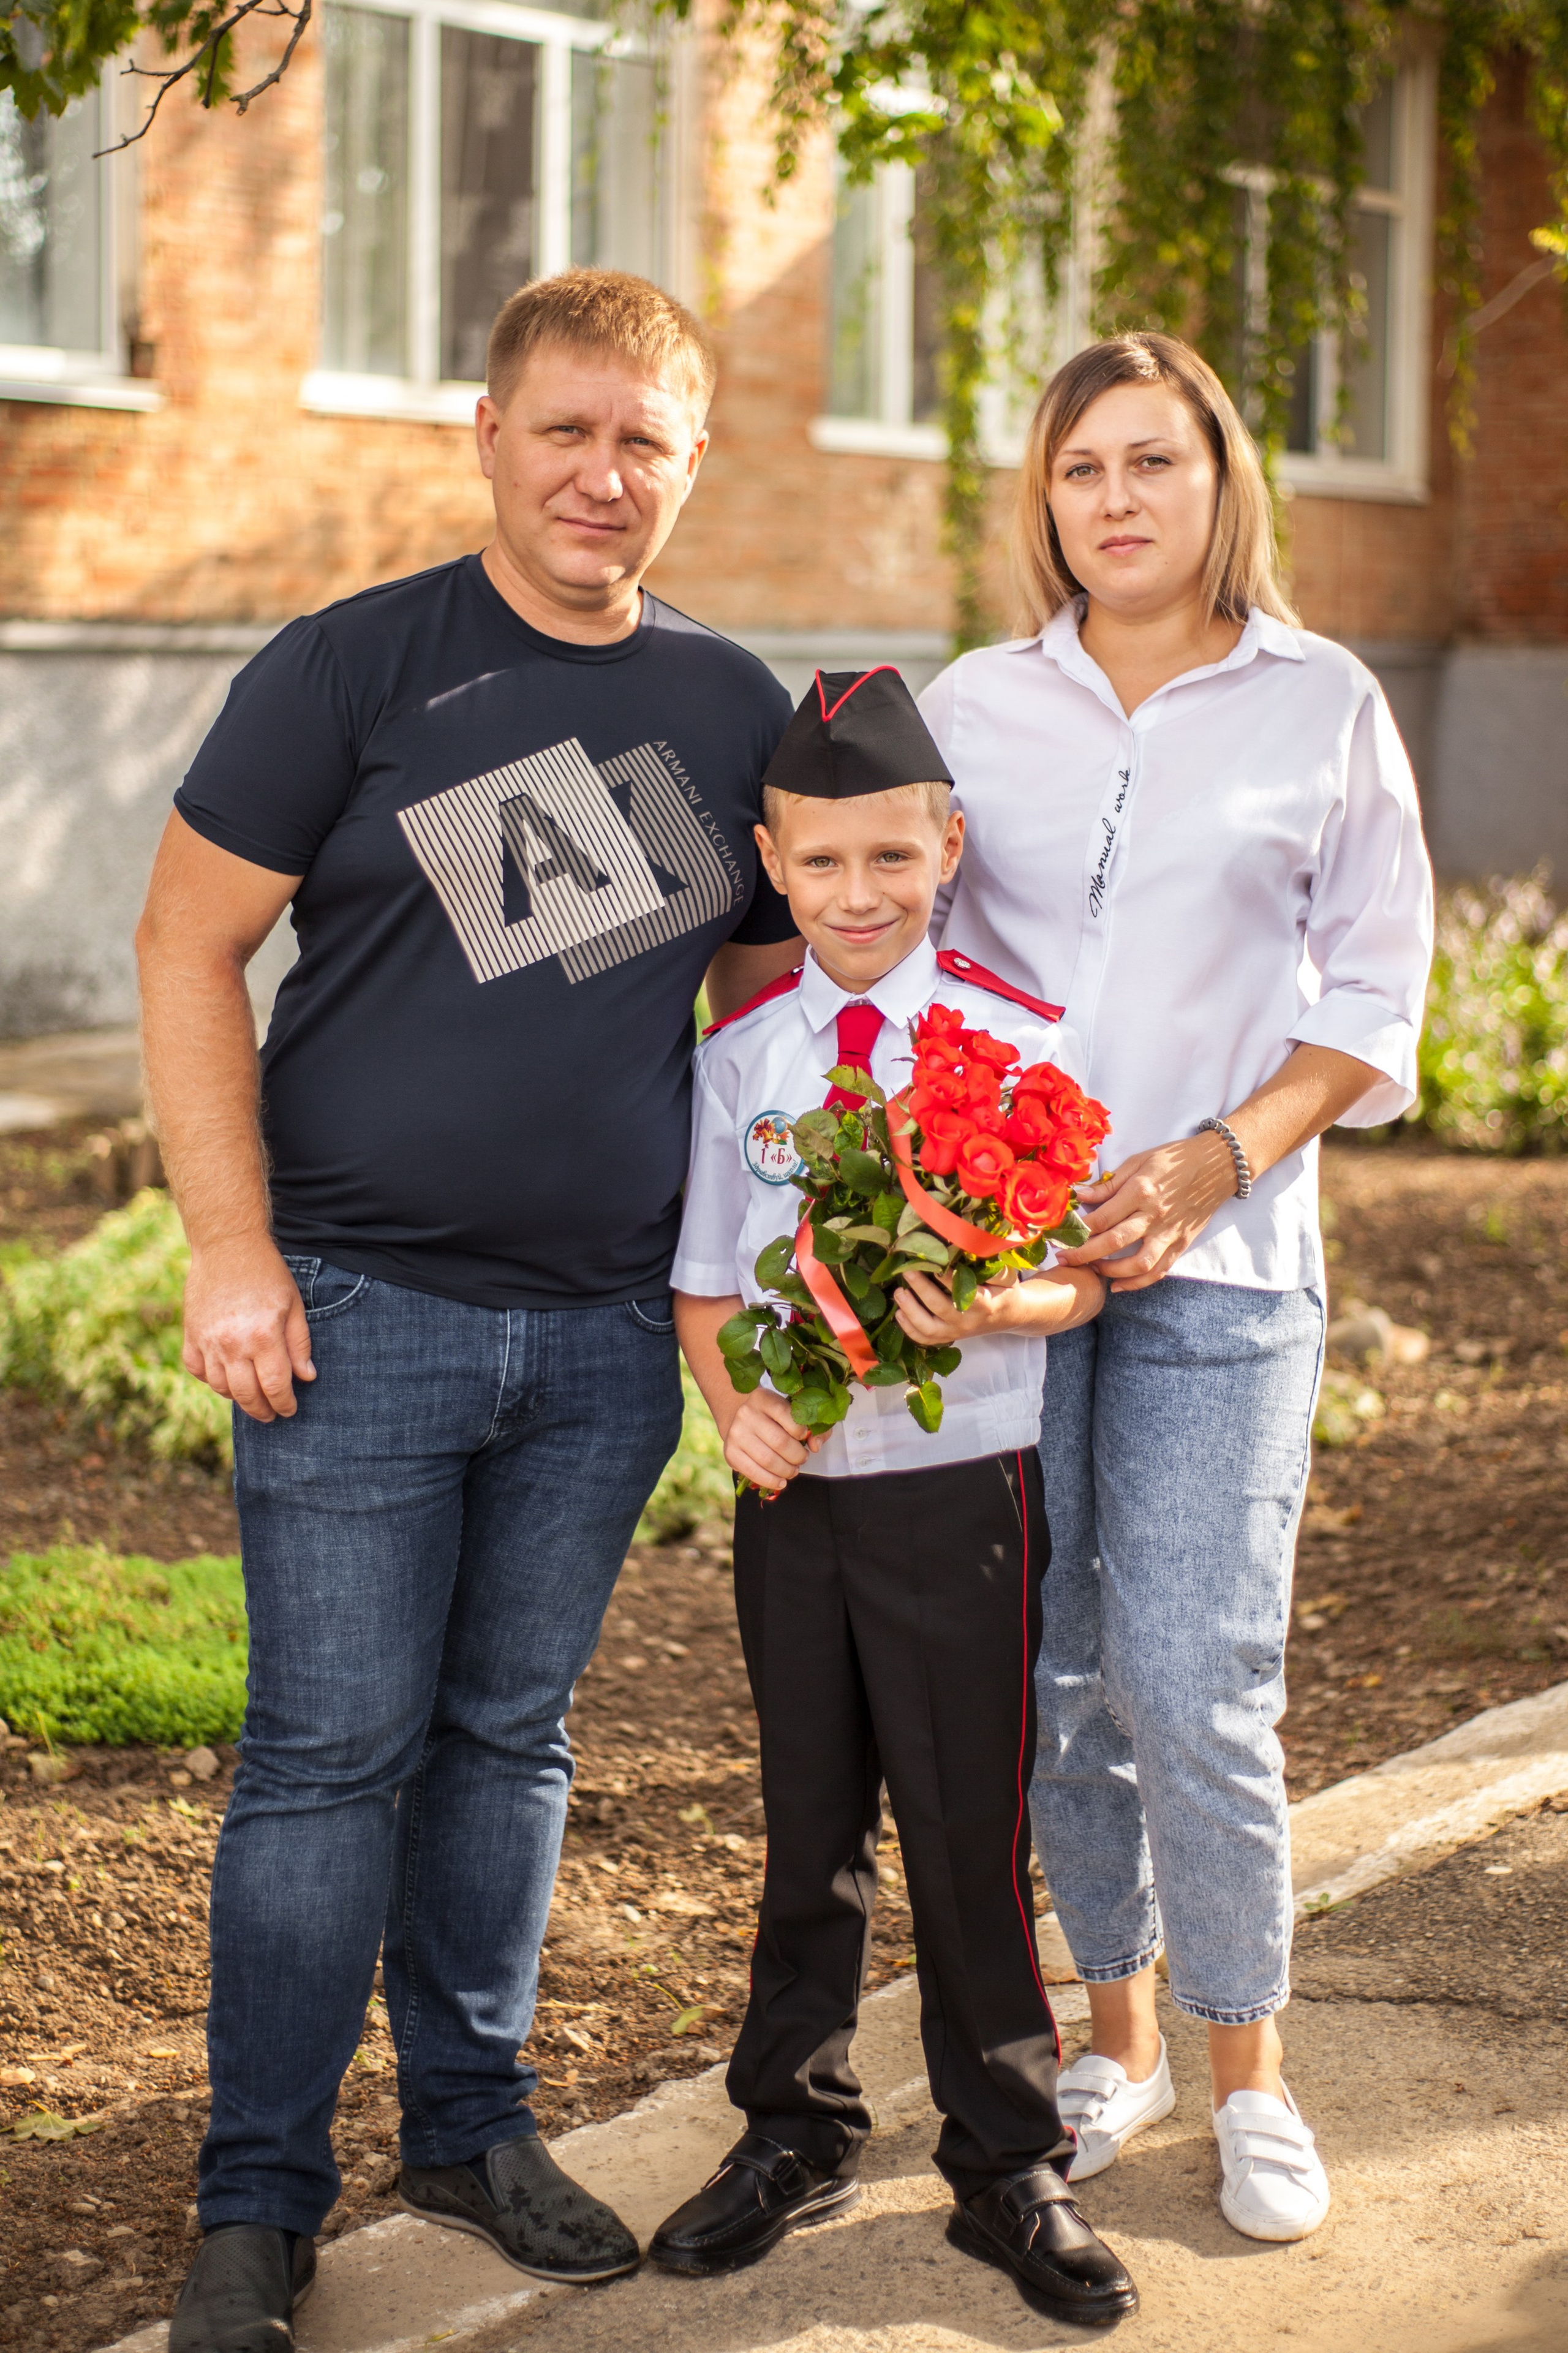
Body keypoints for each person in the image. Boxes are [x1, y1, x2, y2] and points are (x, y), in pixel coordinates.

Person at [135, 268, 805, 2352]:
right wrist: (228, 1250)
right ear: (490, 436)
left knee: (509, 1744)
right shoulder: (356, 669)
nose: (606, 476)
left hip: (603, 1336)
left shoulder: (728, 710)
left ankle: (470, 2120)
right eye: (569, 431)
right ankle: (257, 2199)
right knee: (326, 1760)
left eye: (649, 444)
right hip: (352, 1312)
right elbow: (182, 949)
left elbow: (782, 990)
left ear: (691, 466)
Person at [918, 331, 1434, 2242]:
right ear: (1044, 504)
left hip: (1228, 1265)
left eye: (1153, 462)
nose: (1116, 501)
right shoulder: (977, 703)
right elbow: (912, 949)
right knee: (1051, 1676)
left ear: (1223, 480)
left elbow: (1376, 998)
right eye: (1080, 472)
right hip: (1018, 1278)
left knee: (1198, 1674)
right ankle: (1112, 2043)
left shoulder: (1324, 701)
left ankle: (1251, 2070)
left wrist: (1217, 1152)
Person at [650, 666, 1139, 2329]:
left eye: (890, 860)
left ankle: (1008, 2161)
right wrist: (737, 1415)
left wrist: (998, 1303)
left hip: (961, 1494)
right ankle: (795, 2126)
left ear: (947, 845)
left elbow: (1074, 1279)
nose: (857, 897)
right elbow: (709, 1285)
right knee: (807, 1824)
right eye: (820, 865)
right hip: (800, 1508)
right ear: (772, 867)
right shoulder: (745, 1059)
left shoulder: (1011, 1043)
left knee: (964, 1834)